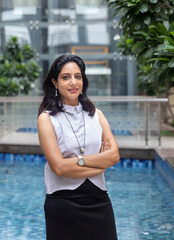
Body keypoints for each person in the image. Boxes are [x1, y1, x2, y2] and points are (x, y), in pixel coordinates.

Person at [37, 54, 119, 240]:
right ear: (55, 83)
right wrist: (100, 164)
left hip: (99, 201)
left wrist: (75, 163)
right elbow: (59, 167)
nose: (73, 82)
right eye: (65, 77)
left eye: (78, 76)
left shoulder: (97, 115)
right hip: (63, 204)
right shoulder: (46, 119)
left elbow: (114, 156)